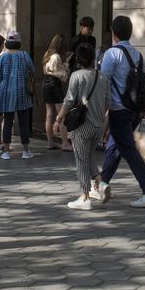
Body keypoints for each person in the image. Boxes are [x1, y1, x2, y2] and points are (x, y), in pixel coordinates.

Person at [97, 16, 145, 207]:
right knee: (115, 148)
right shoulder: (137, 55)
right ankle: (101, 185)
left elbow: (103, 81)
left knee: (128, 150)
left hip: (119, 109)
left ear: (113, 33)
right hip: (134, 110)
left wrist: (101, 108)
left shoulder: (112, 54)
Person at [55, 41, 110, 210]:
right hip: (99, 125)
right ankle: (100, 183)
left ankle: (85, 197)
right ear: (93, 58)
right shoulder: (103, 77)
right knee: (87, 155)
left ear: (78, 59)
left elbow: (69, 100)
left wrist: (58, 120)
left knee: (81, 160)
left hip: (82, 126)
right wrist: (104, 127)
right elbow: (108, 103)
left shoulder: (77, 76)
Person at [0, 30, 35, 160]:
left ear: (6, 43)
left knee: (7, 122)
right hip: (22, 93)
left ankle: (6, 151)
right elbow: (33, 70)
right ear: (19, 43)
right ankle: (26, 150)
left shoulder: (2, 57)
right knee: (23, 122)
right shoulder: (24, 55)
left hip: (6, 94)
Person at [42, 34, 70, 151]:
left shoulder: (47, 55)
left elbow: (51, 70)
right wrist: (67, 65)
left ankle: (50, 142)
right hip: (54, 85)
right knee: (61, 114)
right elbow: (62, 76)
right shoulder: (57, 57)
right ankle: (65, 143)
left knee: (49, 114)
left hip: (45, 84)